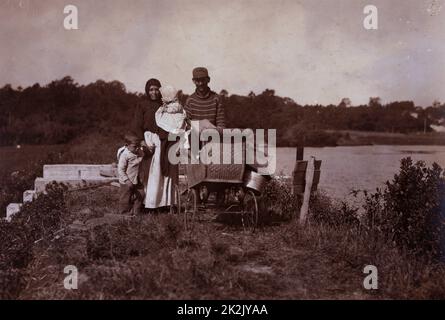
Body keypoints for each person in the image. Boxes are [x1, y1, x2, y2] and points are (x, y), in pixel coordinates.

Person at [132, 78, 178, 212]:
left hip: (164, 140)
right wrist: (142, 142)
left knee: (162, 173)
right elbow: (137, 125)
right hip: (149, 139)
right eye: (151, 89)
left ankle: (163, 204)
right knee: (150, 173)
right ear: (147, 91)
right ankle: (149, 204)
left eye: (157, 89)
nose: (154, 92)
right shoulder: (142, 105)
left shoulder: (165, 104)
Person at [184, 67, 225, 132]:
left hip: (213, 137)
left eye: (203, 80)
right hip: (195, 138)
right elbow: (185, 124)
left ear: (208, 80)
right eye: (197, 80)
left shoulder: (216, 99)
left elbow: (221, 125)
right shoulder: (190, 101)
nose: (200, 83)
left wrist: (213, 132)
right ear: (193, 81)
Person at [117, 133, 145, 215]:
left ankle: (136, 211)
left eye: (138, 146)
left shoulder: (139, 151)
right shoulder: (125, 155)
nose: (137, 148)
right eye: (134, 146)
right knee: (125, 197)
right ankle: (124, 213)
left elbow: (143, 156)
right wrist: (127, 180)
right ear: (127, 145)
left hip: (137, 179)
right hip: (127, 181)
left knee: (141, 195)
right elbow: (121, 170)